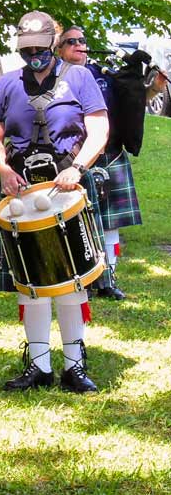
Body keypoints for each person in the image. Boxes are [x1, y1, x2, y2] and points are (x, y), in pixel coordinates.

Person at [0, 10, 108, 393]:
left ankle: (74, 365)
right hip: (19, 188)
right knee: (29, 280)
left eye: (39, 48)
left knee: (71, 280)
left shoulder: (80, 78)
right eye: (26, 50)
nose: (33, 55)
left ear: (53, 43)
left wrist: (79, 167)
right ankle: (38, 365)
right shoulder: (8, 83)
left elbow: (99, 128)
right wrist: (4, 170)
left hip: (66, 186)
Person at [56, 26, 168, 301]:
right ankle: (80, 277)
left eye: (83, 40)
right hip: (71, 159)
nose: (79, 45)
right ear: (58, 49)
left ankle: (108, 280)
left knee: (109, 223)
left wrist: (154, 88)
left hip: (110, 154)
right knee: (74, 221)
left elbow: (128, 105)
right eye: (71, 42)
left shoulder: (101, 74)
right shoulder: (53, 79)